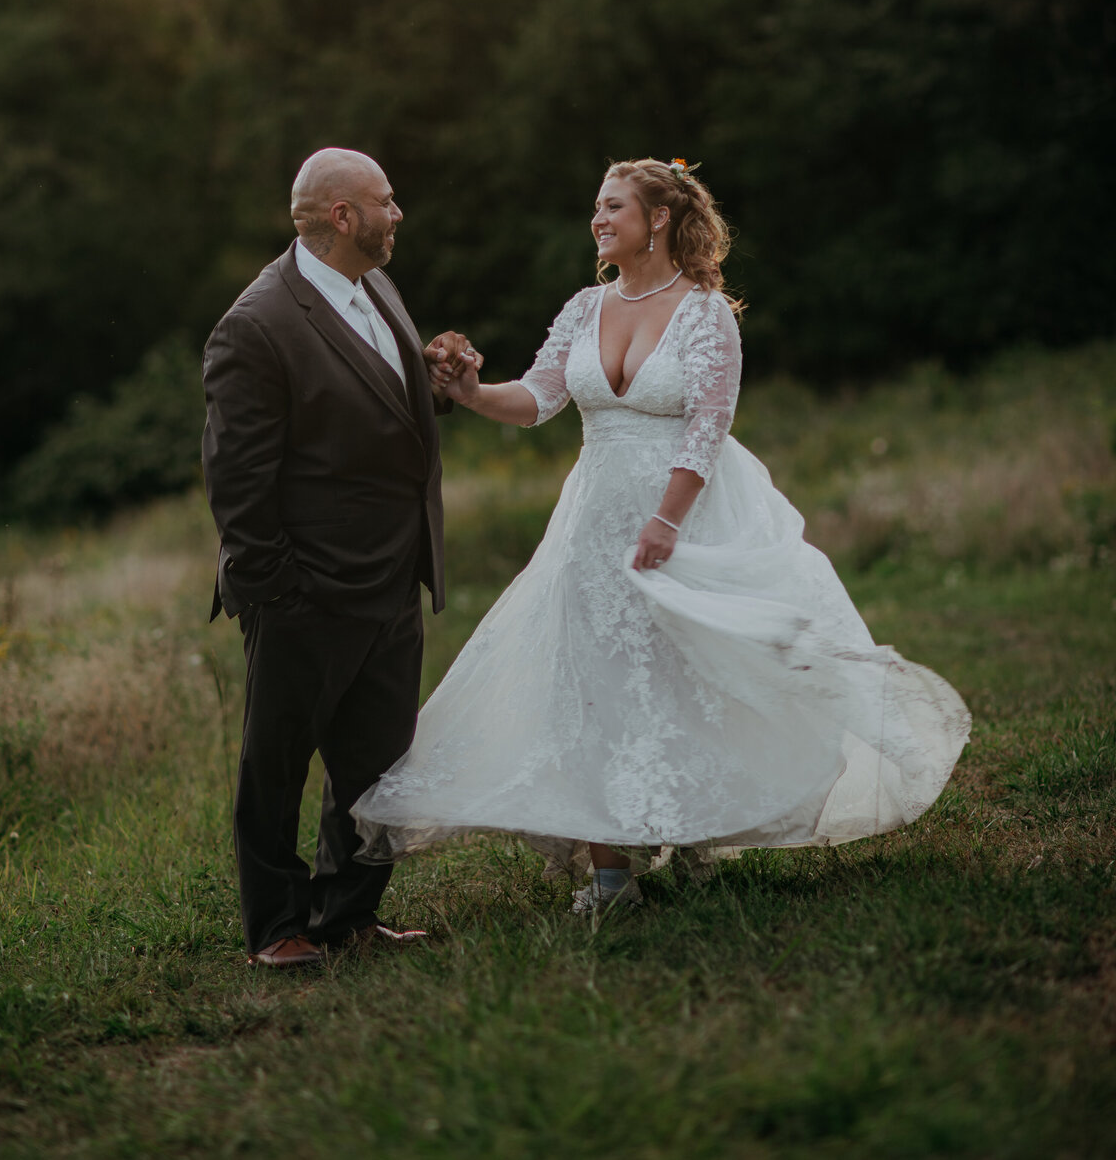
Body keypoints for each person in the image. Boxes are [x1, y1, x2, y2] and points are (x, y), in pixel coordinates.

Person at [354, 157, 971, 914]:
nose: (599, 219)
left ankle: (689, 826)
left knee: (686, 674)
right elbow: (540, 397)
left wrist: (666, 520)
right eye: (596, 208)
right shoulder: (584, 307)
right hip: (591, 520)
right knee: (591, 683)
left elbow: (709, 425)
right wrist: (471, 390)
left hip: (683, 516)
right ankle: (611, 875)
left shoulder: (704, 313)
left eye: (615, 206)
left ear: (661, 220)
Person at [202, 147, 476, 967]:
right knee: (276, 762)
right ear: (341, 216)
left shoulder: (375, 286)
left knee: (378, 758)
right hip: (305, 590)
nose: (399, 215)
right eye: (386, 202)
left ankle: (348, 913)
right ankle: (278, 927)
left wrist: (434, 381)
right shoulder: (255, 326)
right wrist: (278, 589)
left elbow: (368, 406)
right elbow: (237, 480)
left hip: (393, 573)